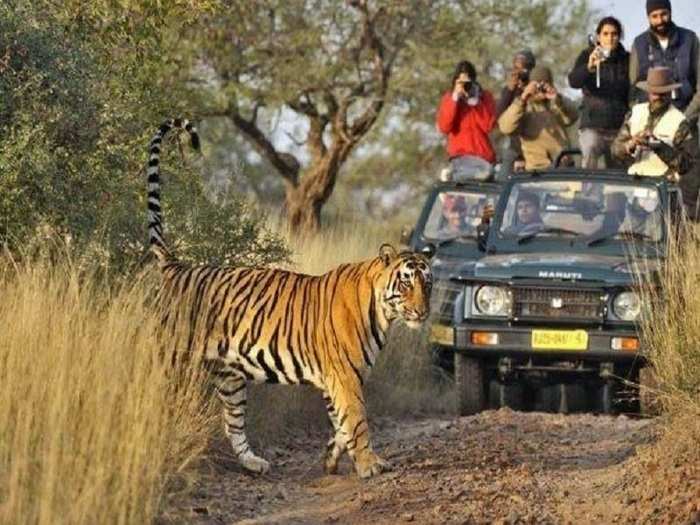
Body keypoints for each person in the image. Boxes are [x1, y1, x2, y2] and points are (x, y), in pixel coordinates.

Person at [612, 67, 698, 182]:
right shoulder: (635, 113)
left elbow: (686, 165)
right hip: (634, 184)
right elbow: (615, 150)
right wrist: (631, 144)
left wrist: (659, 146)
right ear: (648, 92)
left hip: (663, 186)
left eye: (662, 93)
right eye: (655, 93)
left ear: (669, 92)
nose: (658, 97)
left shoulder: (680, 122)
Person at [568, 16, 630, 169]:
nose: (610, 38)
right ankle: (588, 193)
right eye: (605, 34)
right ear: (598, 36)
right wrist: (589, 68)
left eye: (614, 34)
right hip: (592, 126)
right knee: (589, 149)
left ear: (619, 36)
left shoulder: (627, 59)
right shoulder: (587, 55)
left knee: (619, 171)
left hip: (618, 127)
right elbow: (573, 81)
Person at [629, 0, 700, 123]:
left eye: (664, 14)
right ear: (648, 17)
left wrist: (685, 118)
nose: (660, 20)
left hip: (686, 116)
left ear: (670, 12)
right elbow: (634, 86)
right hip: (651, 121)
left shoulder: (690, 39)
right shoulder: (639, 43)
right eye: (654, 16)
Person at [498, 65, 579, 171]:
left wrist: (557, 99)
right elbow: (505, 127)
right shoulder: (524, 107)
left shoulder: (557, 103)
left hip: (563, 166)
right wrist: (523, 98)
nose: (540, 89)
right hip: (537, 169)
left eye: (544, 83)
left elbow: (572, 116)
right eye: (536, 84)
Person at [436, 60, 497, 181]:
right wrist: (455, 99)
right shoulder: (449, 98)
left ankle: (451, 178)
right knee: (480, 175)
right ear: (456, 81)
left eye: (468, 82)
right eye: (462, 82)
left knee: (488, 173)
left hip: (483, 155)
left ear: (474, 80)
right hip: (461, 155)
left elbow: (488, 126)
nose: (465, 86)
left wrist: (476, 103)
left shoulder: (484, 97)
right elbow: (444, 127)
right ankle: (451, 181)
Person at [497, 50, 537, 173]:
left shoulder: (536, 88)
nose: (519, 73)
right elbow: (499, 116)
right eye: (516, 68)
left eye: (523, 69)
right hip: (515, 146)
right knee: (503, 176)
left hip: (535, 144)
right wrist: (510, 90)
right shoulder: (510, 90)